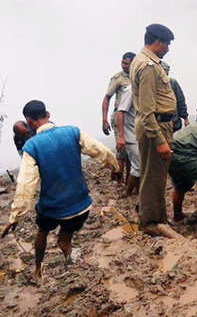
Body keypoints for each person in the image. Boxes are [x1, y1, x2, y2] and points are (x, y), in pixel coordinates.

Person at [2, 100, 118, 278]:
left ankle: (38, 268)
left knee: (42, 231)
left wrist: (15, 216)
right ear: (47, 114)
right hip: (82, 205)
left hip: (53, 208)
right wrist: (115, 168)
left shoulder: (31, 146)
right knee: (65, 235)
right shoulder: (73, 131)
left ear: (29, 121)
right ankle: (68, 255)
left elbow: (26, 186)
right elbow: (101, 151)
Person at [129, 24, 180, 238]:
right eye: (166, 43)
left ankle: (159, 218)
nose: (167, 48)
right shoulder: (148, 66)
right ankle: (152, 222)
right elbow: (148, 110)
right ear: (156, 41)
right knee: (153, 177)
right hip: (155, 126)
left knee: (157, 175)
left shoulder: (144, 61)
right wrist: (160, 140)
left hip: (158, 124)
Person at [101, 52, 135, 183]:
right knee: (122, 150)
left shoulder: (137, 76)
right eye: (123, 63)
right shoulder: (118, 78)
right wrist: (104, 119)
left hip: (133, 117)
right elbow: (107, 98)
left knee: (132, 150)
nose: (124, 66)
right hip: (119, 116)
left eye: (127, 63)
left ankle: (130, 180)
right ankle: (118, 179)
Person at [116, 85, 141, 196]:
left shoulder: (143, 87)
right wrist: (121, 136)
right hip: (130, 134)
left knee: (138, 165)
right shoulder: (131, 89)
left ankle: (134, 191)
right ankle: (129, 192)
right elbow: (120, 112)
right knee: (138, 166)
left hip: (138, 133)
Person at [160, 62, 189, 131]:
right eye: (165, 70)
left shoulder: (173, 83)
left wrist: (185, 118)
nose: (166, 73)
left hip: (174, 122)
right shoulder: (152, 83)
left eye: (167, 71)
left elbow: (180, 101)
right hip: (160, 123)